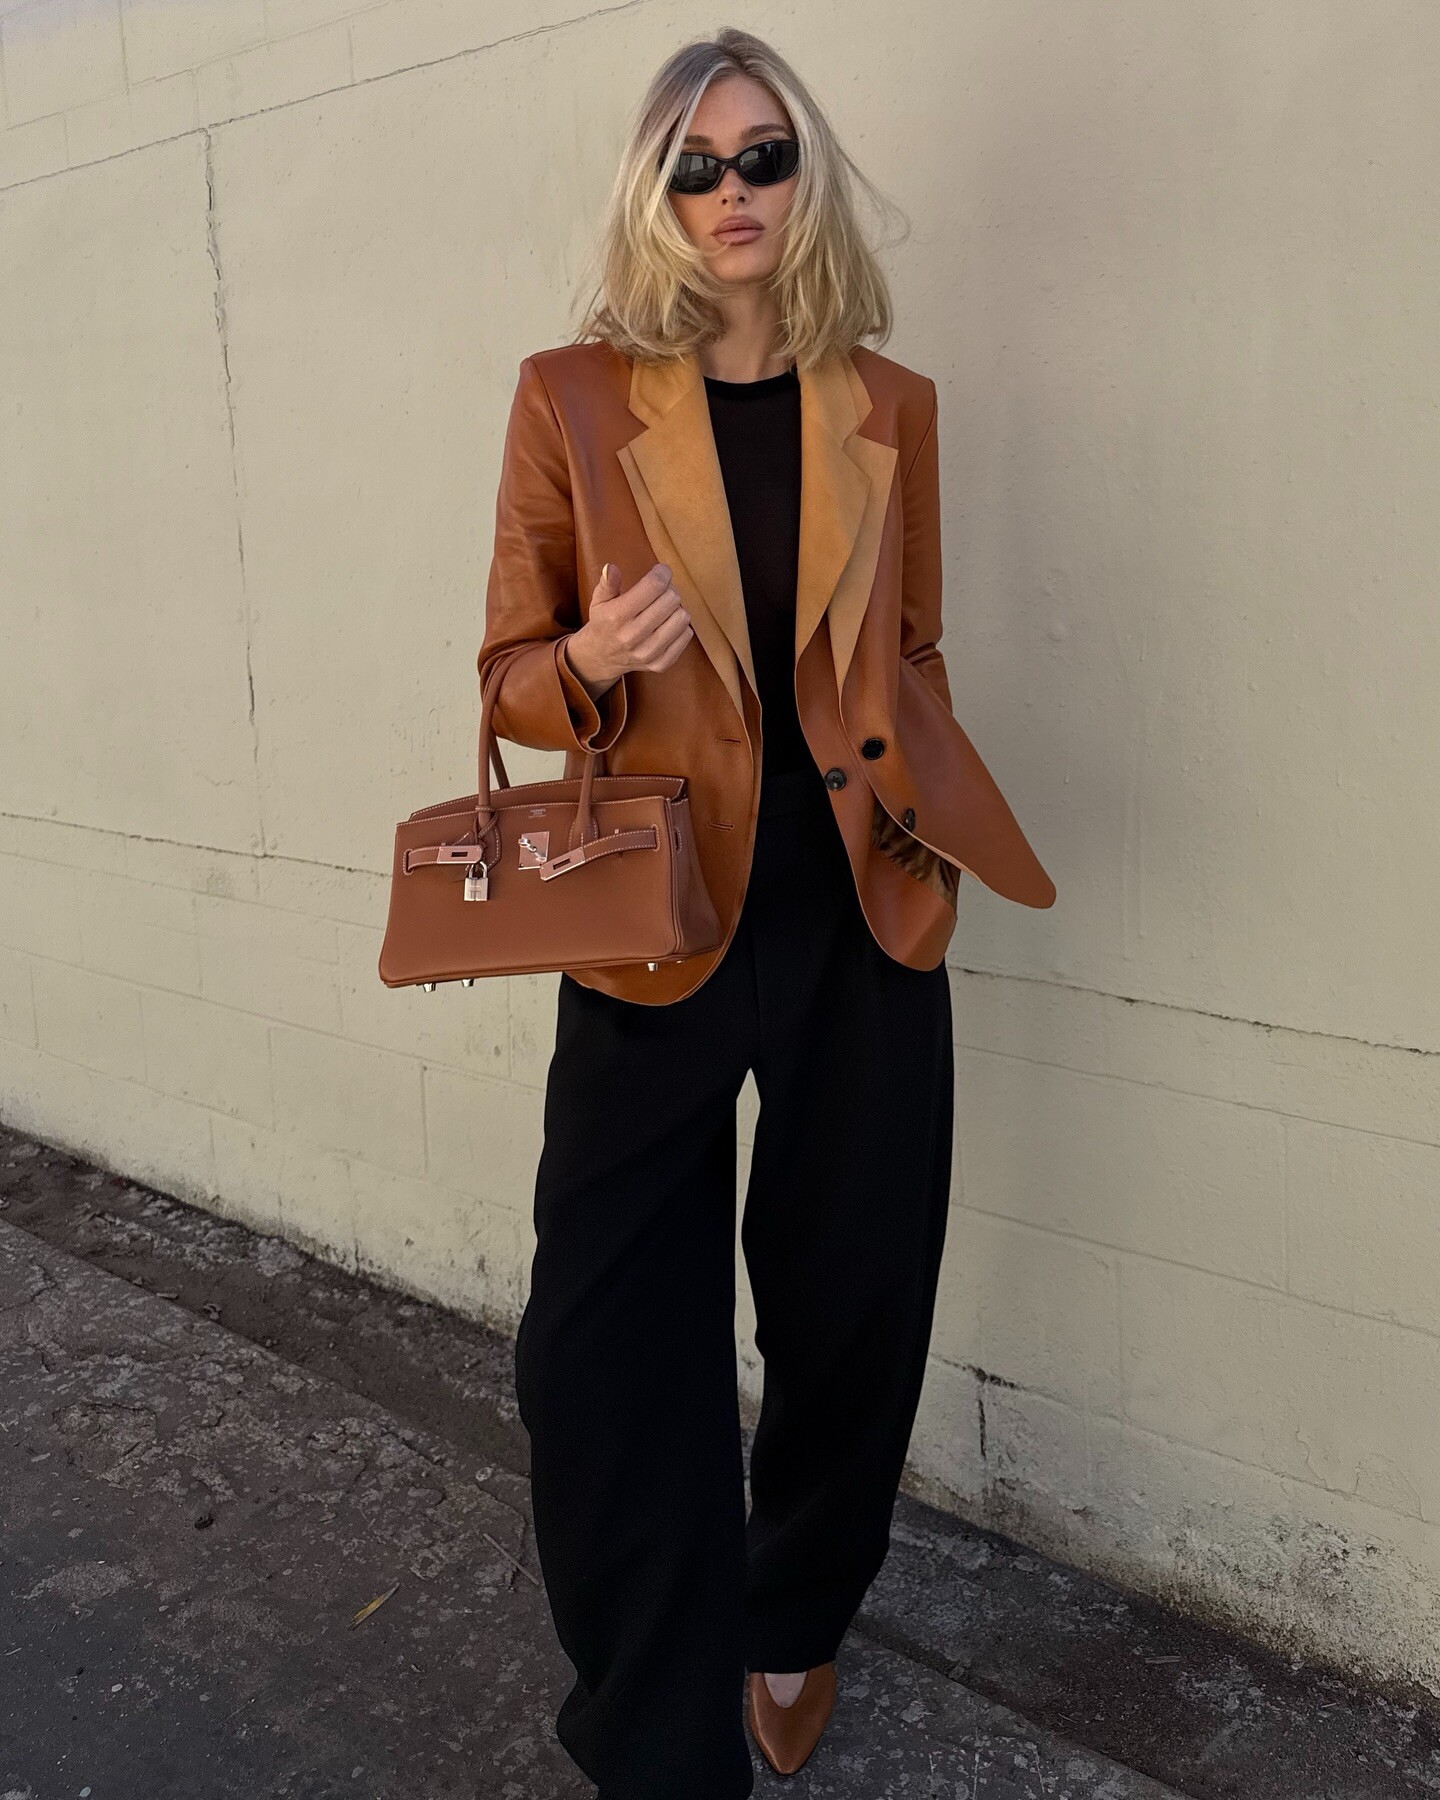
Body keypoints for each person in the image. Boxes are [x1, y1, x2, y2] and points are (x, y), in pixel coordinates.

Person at [476, 25, 1055, 1798]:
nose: (731, 193)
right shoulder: (572, 397)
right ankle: (654, 1731)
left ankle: (795, 1613)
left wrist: (932, 813)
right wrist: (591, 656)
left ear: (807, 179)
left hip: (856, 913)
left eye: (763, 157)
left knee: (851, 1301)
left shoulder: (893, 406)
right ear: (653, 194)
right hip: (652, 912)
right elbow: (506, 680)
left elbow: (914, 651)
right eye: (695, 166)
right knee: (602, 1347)